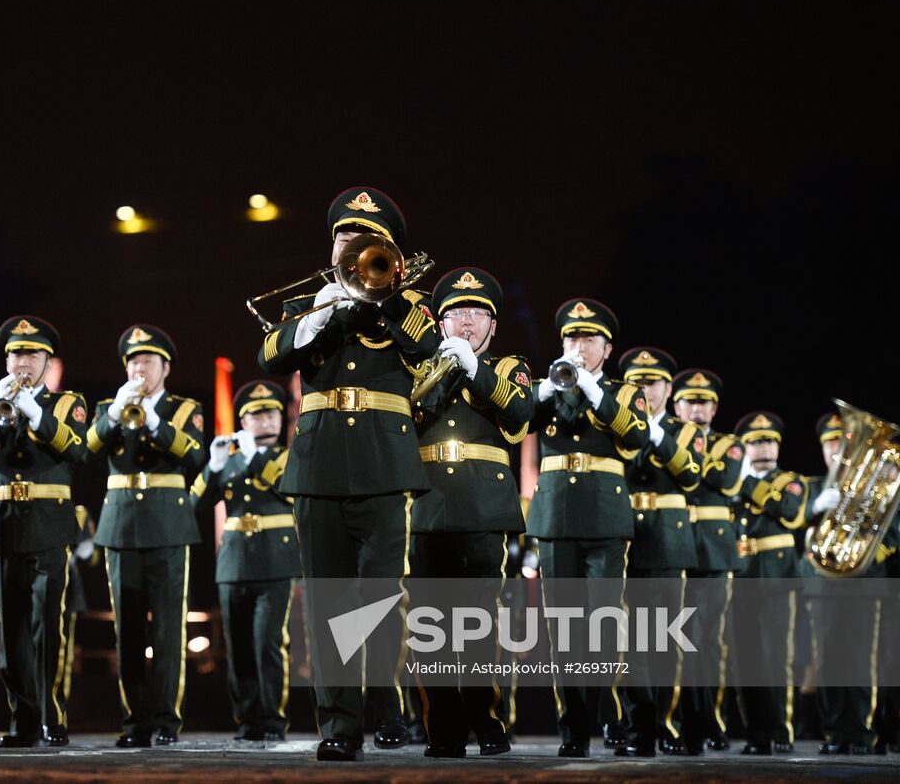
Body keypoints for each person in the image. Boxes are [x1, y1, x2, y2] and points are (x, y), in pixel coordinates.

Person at [257, 187, 439, 762]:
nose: (352, 245)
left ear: (389, 251)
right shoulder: (305, 307)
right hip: (318, 466)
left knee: (383, 593)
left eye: (367, 240)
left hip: (385, 466)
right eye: (344, 236)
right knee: (328, 601)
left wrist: (385, 298)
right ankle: (339, 725)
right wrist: (329, 310)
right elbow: (272, 356)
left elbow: (431, 351)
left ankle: (385, 701)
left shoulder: (410, 303)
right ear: (331, 244)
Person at [406, 267, 530, 759]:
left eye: (479, 313)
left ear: (493, 327)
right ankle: (444, 729)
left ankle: (488, 720)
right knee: (430, 622)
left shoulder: (509, 367)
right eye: (456, 312)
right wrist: (441, 367)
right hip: (428, 504)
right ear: (440, 322)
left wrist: (474, 370)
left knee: (479, 621)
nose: (467, 322)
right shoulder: (417, 366)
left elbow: (520, 416)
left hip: (483, 508)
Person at [526, 298, 650, 758]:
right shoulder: (549, 388)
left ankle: (612, 718)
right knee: (565, 631)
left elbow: (636, 437)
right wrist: (546, 386)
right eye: (572, 338)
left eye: (589, 339)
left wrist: (593, 390)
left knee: (603, 626)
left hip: (605, 518)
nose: (580, 346)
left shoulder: (623, 391)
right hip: (556, 517)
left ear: (607, 347)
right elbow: (517, 422)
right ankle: (573, 731)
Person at [0, 316, 87, 748]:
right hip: (1, 526)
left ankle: (52, 715)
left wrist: (36, 414)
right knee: (10, 626)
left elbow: (78, 449)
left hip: (49, 524)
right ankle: (23, 719)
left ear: (47, 361)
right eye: (16, 353)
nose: (23, 362)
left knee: (48, 624)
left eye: (32, 354)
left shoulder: (67, 403)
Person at [85, 324, 205, 748]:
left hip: (168, 526)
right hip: (121, 526)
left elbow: (195, 455)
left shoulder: (183, 408)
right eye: (133, 361)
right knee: (129, 630)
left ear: (165, 367)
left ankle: (166, 722)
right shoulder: (109, 406)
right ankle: (134, 722)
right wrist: (116, 414)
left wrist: (155, 421)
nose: (139, 368)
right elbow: (86, 450)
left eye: (148, 361)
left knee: (169, 629)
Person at [192, 380, 302, 743]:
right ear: (243, 421)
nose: (266, 420)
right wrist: (214, 467)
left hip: (275, 560)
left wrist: (252, 457)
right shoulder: (232, 459)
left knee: (267, 642)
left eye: (271, 412)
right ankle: (247, 718)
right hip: (235, 560)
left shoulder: (290, 456)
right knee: (238, 645)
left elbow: (289, 489)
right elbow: (195, 505)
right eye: (256, 414)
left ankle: (272, 718)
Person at [614, 347, 703, 757]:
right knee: (628, 640)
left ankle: (668, 724)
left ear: (669, 387)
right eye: (638, 382)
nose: (645, 389)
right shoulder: (615, 422)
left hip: (668, 540)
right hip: (625, 535)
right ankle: (637, 728)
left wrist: (654, 432)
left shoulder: (685, 431)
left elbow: (689, 473)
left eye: (653, 382)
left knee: (668, 639)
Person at [671, 368, 744, 753]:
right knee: (676, 640)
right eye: (689, 401)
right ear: (675, 404)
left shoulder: (730, 445)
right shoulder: (668, 436)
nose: (696, 409)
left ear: (714, 409)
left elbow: (725, 479)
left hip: (713, 552)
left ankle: (712, 723)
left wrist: (685, 460)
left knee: (710, 643)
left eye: (704, 403)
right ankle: (679, 721)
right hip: (675, 543)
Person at [731, 411, 809, 755]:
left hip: (778, 578)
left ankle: (781, 730)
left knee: (777, 656)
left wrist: (746, 482)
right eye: (756, 441)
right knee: (745, 659)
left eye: (770, 440)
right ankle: (756, 733)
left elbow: (789, 510)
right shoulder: (732, 481)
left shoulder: (790, 480)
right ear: (744, 446)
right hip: (743, 575)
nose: (765, 446)